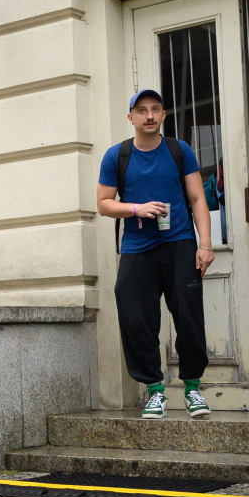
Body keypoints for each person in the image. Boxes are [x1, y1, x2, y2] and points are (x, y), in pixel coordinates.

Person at [95, 90, 216, 419]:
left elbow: (197, 199)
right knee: (136, 318)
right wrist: (137, 208)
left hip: (180, 243)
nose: (149, 115)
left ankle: (192, 388)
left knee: (189, 317)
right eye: (141, 110)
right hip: (137, 248)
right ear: (130, 117)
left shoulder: (179, 151)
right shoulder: (116, 156)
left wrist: (205, 244)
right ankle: (154, 390)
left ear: (163, 115)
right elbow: (104, 203)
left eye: (155, 109)